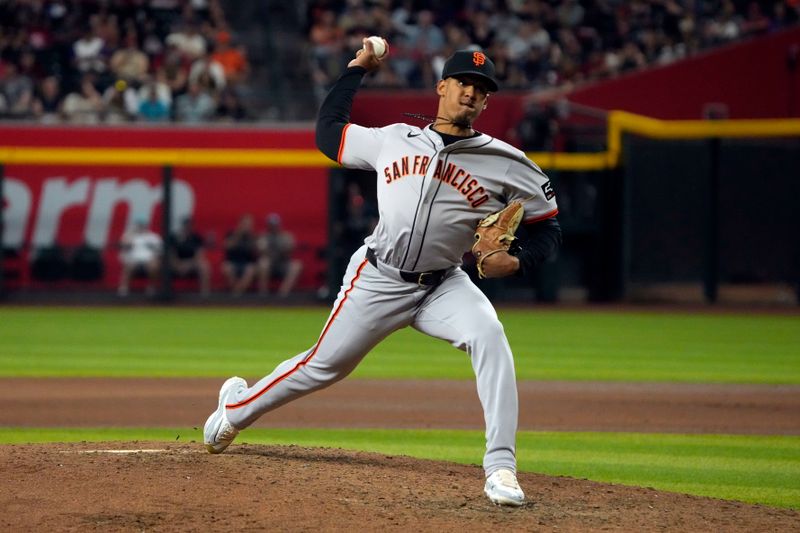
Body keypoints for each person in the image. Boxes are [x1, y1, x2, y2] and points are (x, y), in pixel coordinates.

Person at [203, 44, 561, 507]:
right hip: (378, 277)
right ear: (442, 88)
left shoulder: (508, 162)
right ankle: (235, 408)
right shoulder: (394, 139)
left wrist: (518, 260)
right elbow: (328, 134)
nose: (471, 94)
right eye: (464, 84)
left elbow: (548, 226)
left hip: (443, 284)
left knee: (490, 335)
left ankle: (501, 468)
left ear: (487, 102)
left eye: (481, 90)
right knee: (323, 367)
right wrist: (355, 70)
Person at [256, 213, 303, 298]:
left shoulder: (286, 236)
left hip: (283, 264)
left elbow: (289, 249)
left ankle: (282, 296)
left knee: (296, 265)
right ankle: (263, 294)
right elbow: (260, 250)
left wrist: (284, 248)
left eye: (275, 225)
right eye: (271, 225)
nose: (273, 227)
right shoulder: (263, 236)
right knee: (263, 263)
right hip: (269, 265)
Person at [118, 216, 162, 296]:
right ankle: (124, 289)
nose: (141, 227)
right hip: (133, 260)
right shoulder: (129, 235)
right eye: (139, 225)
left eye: (142, 225)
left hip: (149, 260)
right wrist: (130, 235)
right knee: (128, 265)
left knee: (154, 265)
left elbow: (159, 251)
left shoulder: (153, 237)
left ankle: (151, 287)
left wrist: (155, 258)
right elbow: (124, 247)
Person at [169, 216, 211, 296]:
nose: (188, 228)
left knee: (204, 266)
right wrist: (178, 264)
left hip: (191, 263)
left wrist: (188, 264)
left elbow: (199, 255)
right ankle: (167, 292)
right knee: (165, 265)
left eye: (190, 225)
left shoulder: (196, 238)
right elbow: (171, 253)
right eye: (186, 225)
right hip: (176, 263)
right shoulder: (174, 237)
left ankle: (205, 294)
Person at [221, 213, 259, 296]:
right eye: (245, 224)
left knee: (251, 269)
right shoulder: (231, 234)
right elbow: (227, 246)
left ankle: (236, 294)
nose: (247, 226)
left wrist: (251, 238)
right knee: (227, 268)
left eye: (249, 224)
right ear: (240, 224)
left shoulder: (253, 236)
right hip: (232, 262)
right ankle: (237, 294)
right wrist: (238, 234)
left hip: (247, 263)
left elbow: (257, 251)